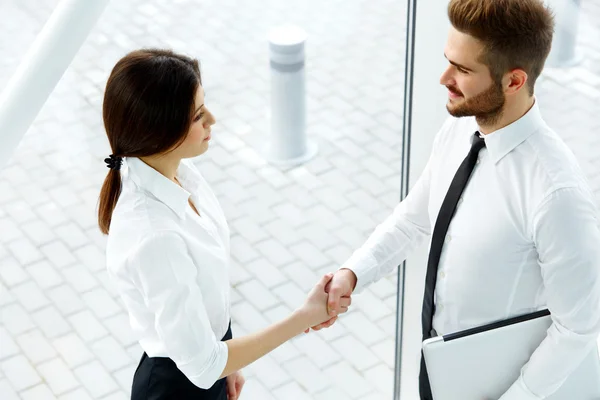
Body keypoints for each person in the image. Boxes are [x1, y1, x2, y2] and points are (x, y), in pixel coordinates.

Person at [315, 0, 600, 399]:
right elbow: (413, 219)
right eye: (449, 61)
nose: (443, 78)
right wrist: (352, 274)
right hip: (440, 369)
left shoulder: (558, 195)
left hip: (503, 388)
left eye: (462, 70)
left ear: (514, 81)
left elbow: (578, 328)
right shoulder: (456, 133)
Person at [97, 49, 351, 400]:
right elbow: (202, 366)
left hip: (205, 369)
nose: (212, 120)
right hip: (178, 389)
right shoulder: (155, 236)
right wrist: (304, 317)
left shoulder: (181, 174)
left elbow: (208, 304)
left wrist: (229, 357)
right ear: (160, 131)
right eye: (199, 115)